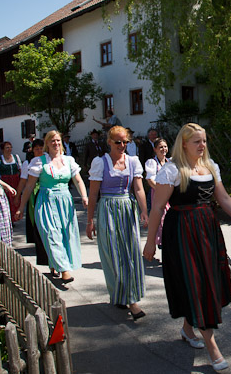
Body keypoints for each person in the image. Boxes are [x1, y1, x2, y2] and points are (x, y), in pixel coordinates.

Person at [143, 123, 231, 372]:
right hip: (181, 232)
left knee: (206, 282)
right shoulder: (172, 170)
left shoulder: (210, 167)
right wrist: (150, 242)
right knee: (195, 282)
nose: (202, 145)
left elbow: (223, 197)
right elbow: (158, 208)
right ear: (184, 144)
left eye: (204, 140)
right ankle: (212, 345)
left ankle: (187, 328)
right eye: (197, 141)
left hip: (207, 229)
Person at [86, 126, 149, 318]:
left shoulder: (133, 161)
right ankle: (126, 298)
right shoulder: (100, 162)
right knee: (113, 255)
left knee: (130, 254)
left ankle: (128, 297)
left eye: (125, 142)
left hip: (127, 209)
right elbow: (94, 193)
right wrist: (90, 220)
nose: (122, 146)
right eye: (118, 142)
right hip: (108, 209)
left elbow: (138, 189)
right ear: (109, 142)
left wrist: (145, 211)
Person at [17, 131, 88, 284]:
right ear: (47, 144)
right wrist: (21, 207)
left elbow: (78, 181)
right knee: (51, 234)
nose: (56, 143)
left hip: (65, 202)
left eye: (58, 140)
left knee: (65, 234)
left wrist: (84, 196)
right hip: (46, 202)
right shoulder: (39, 162)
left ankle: (54, 264)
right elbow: (29, 187)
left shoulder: (68, 160)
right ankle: (64, 270)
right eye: (52, 141)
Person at [15, 139, 49, 266]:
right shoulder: (28, 164)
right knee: (36, 217)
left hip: (46, 191)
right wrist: (18, 195)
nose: (39, 151)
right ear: (32, 151)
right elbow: (24, 181)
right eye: (37, 149)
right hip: (34, 192)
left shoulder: (49, 160)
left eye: (41, 148)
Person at [144, 137, 170, 247]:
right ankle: (163, 244)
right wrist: (162, 192)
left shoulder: (171, 162)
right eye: (160, 147)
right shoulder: (152, 163)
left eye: (165, 146)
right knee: (161, 220)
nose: (163, 149)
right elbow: (150, 180)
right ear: (155, 149)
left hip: (170, 195)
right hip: (158, 195)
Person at [0, 141, 21, 222]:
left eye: (10, 147)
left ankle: (15, 217)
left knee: (16, 199)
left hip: (15, 180)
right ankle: (9, 219)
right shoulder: (0, 159)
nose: (9, 149)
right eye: (7, 147)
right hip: (5, 181)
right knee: (8, 200)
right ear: (3, 149)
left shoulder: (15, 157)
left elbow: (20, 170)